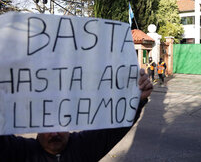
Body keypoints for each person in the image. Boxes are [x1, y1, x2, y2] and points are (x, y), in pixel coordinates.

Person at [0, 69, 153, 162]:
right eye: (47, 126)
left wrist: (136, 99)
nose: (54, 133)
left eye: (60, 124)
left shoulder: (82, 148)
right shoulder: (20, 151)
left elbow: (115, 128)